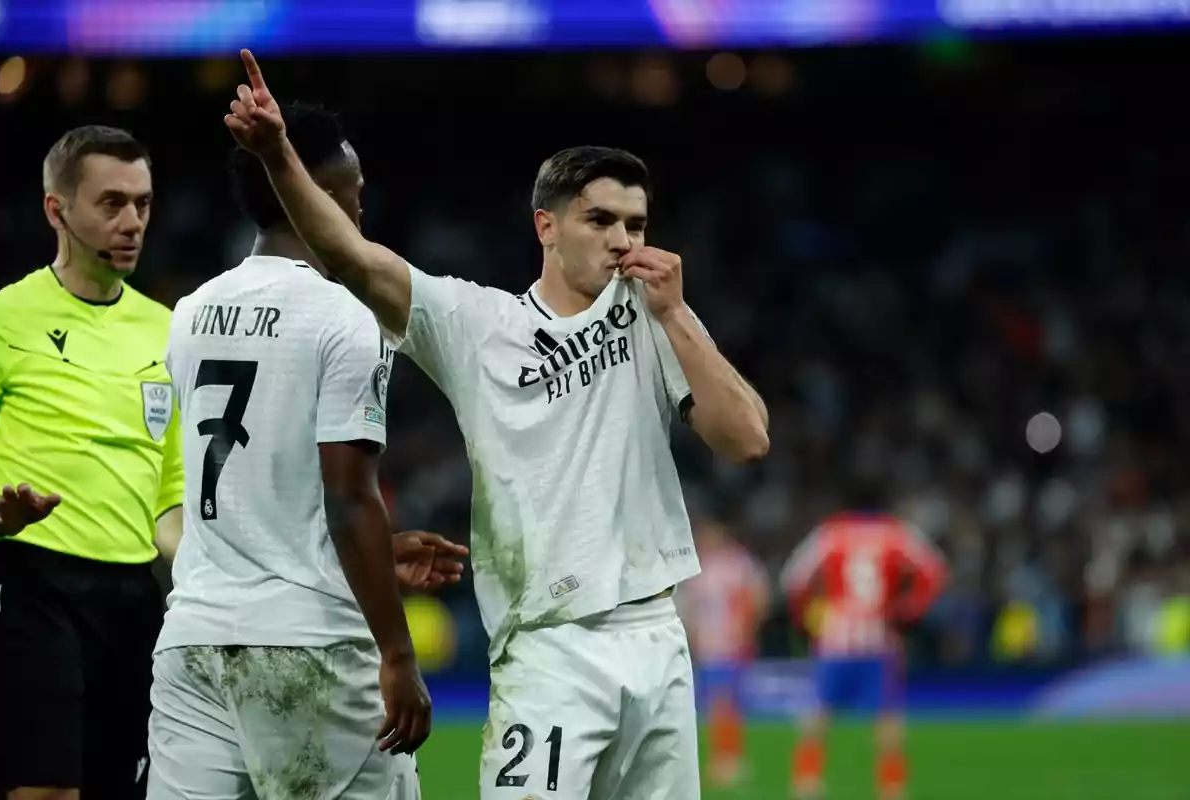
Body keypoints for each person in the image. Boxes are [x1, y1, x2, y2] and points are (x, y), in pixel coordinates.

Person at [225, 50, 770, 800]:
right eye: (601, 219)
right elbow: (352, 257)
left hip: (656, 636)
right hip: (549, 649)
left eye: (636, 224)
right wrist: (278, 153)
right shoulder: (478, 323)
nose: (622, 240)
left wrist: (676, 313)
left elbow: (746, 439)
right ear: (546, 224)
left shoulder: (651, 319)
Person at [147, 101, 468, 800]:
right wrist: (397, 652)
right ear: (306, 192)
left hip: (194, 641)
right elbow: (347, 496)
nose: (359, 211)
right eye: (351, 193)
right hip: (307, 646)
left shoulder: (189, 313)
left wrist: (380, 557)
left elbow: (248, 491)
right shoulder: (347, 317)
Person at [0, 125, 184, 800]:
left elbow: (171, 499)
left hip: (134, 596)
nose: (131, 222)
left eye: (143, 203)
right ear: (57, 210)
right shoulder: (0, 320)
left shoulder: (168, 329)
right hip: (31, 583)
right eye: (110, 203)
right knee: (47, 791)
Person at [780, 494, 949, 800]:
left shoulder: (831, 533)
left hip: (836, 638)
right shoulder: (897, 532)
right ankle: (892, 788)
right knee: (887, 718)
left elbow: (793, 577)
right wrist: (907, 610)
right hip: (879, 637)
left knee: (818, 713)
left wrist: (806, 619)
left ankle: (806, 782)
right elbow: (935, 569)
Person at [677, 515, 771, 789]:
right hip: (710, 646)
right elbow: (692, 608)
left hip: (729, 644)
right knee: (721, 706)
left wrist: (747, 628)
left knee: (725, 704)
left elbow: (758, 597)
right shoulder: (705, 566)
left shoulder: (734, 563)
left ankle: (729, 760)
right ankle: (728, 759)